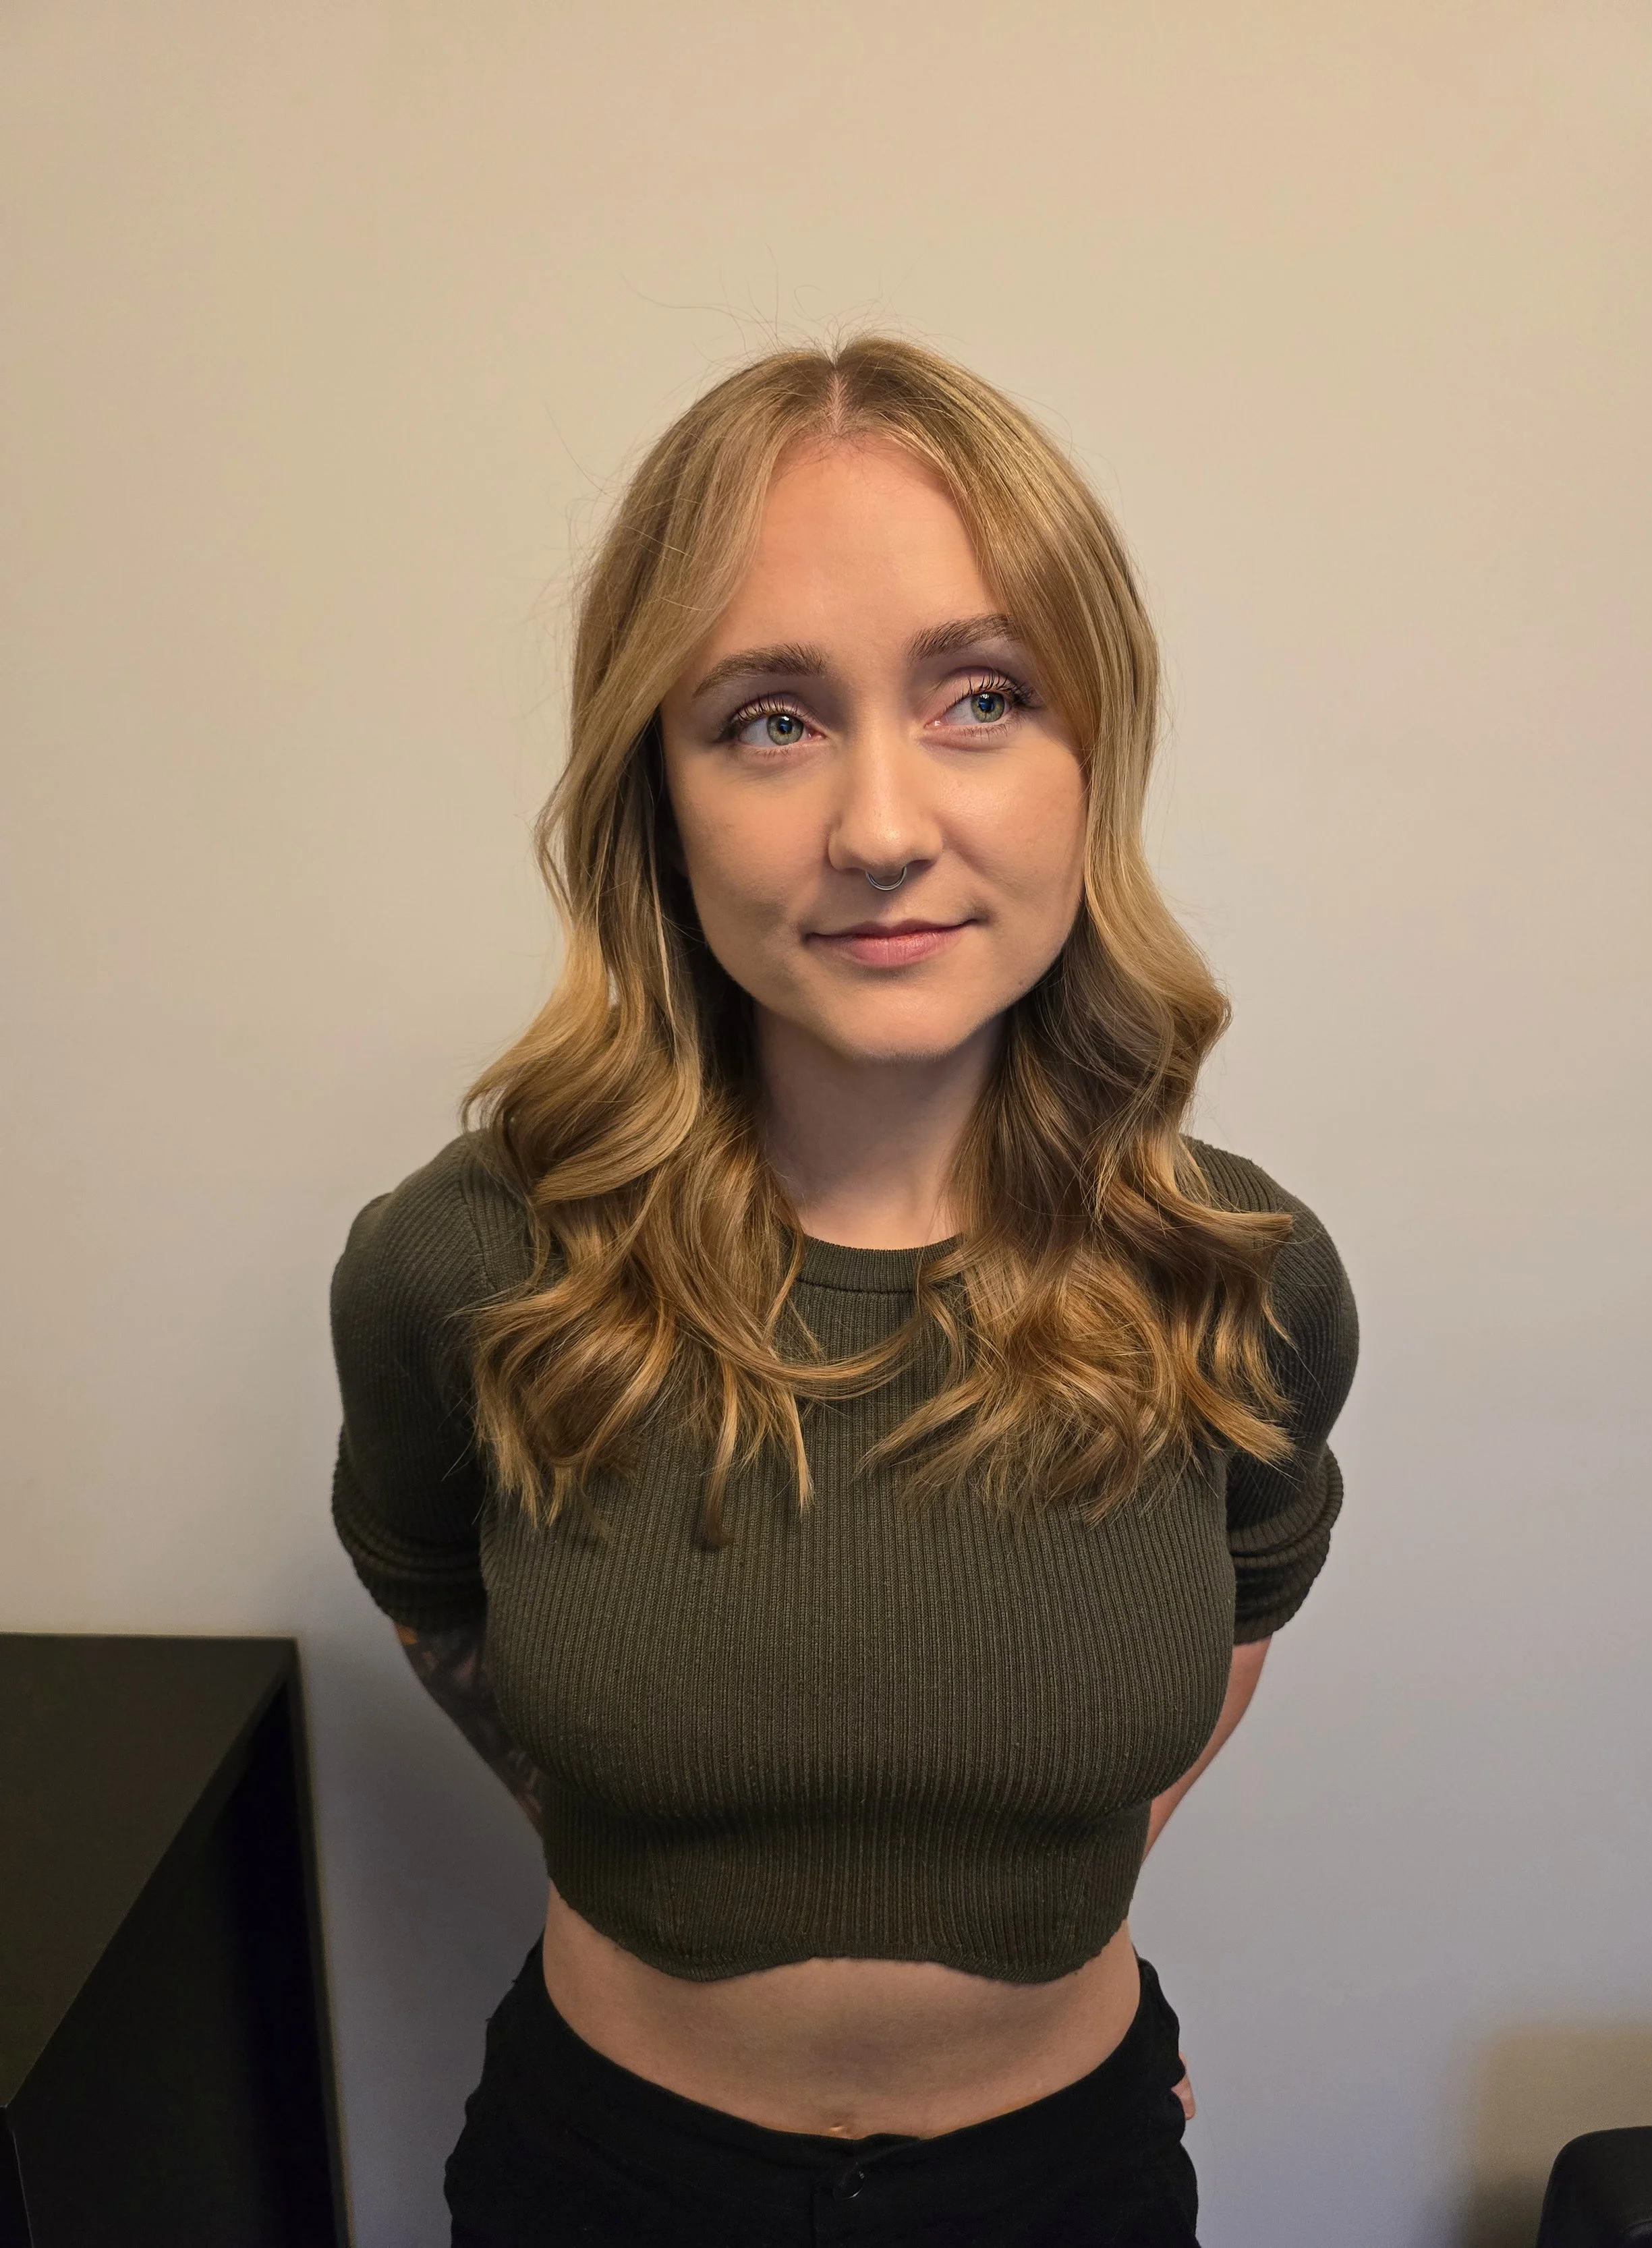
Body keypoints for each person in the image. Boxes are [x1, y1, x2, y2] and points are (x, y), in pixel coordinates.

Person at [328, 335, 1359, 2247]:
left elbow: (1247, 1599)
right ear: (659, 783)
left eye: (981, 697)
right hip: (605, 2179)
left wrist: (1052, 1896)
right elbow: (427, 1590)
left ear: (1090, 757)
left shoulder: (1238, 1274)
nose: (882, 825)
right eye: (769, 720)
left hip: (1070, 2176)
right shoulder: (465, 1264)